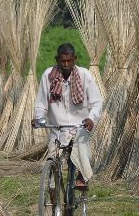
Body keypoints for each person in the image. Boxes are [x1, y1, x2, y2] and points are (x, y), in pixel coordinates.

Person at [32, 43, 103, 189]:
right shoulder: (48, 76)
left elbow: (97, 102)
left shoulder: (84, 76)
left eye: (69, 61)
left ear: (74, 59)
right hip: (58, 128)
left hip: (80, 126)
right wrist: (39, 118)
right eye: (62, 61)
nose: (65, 64)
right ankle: (53, 196)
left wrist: (91, 118)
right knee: (53, 163)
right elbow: (41, 104)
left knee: (81, 146)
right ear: (57, 59)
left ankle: (82, 177)